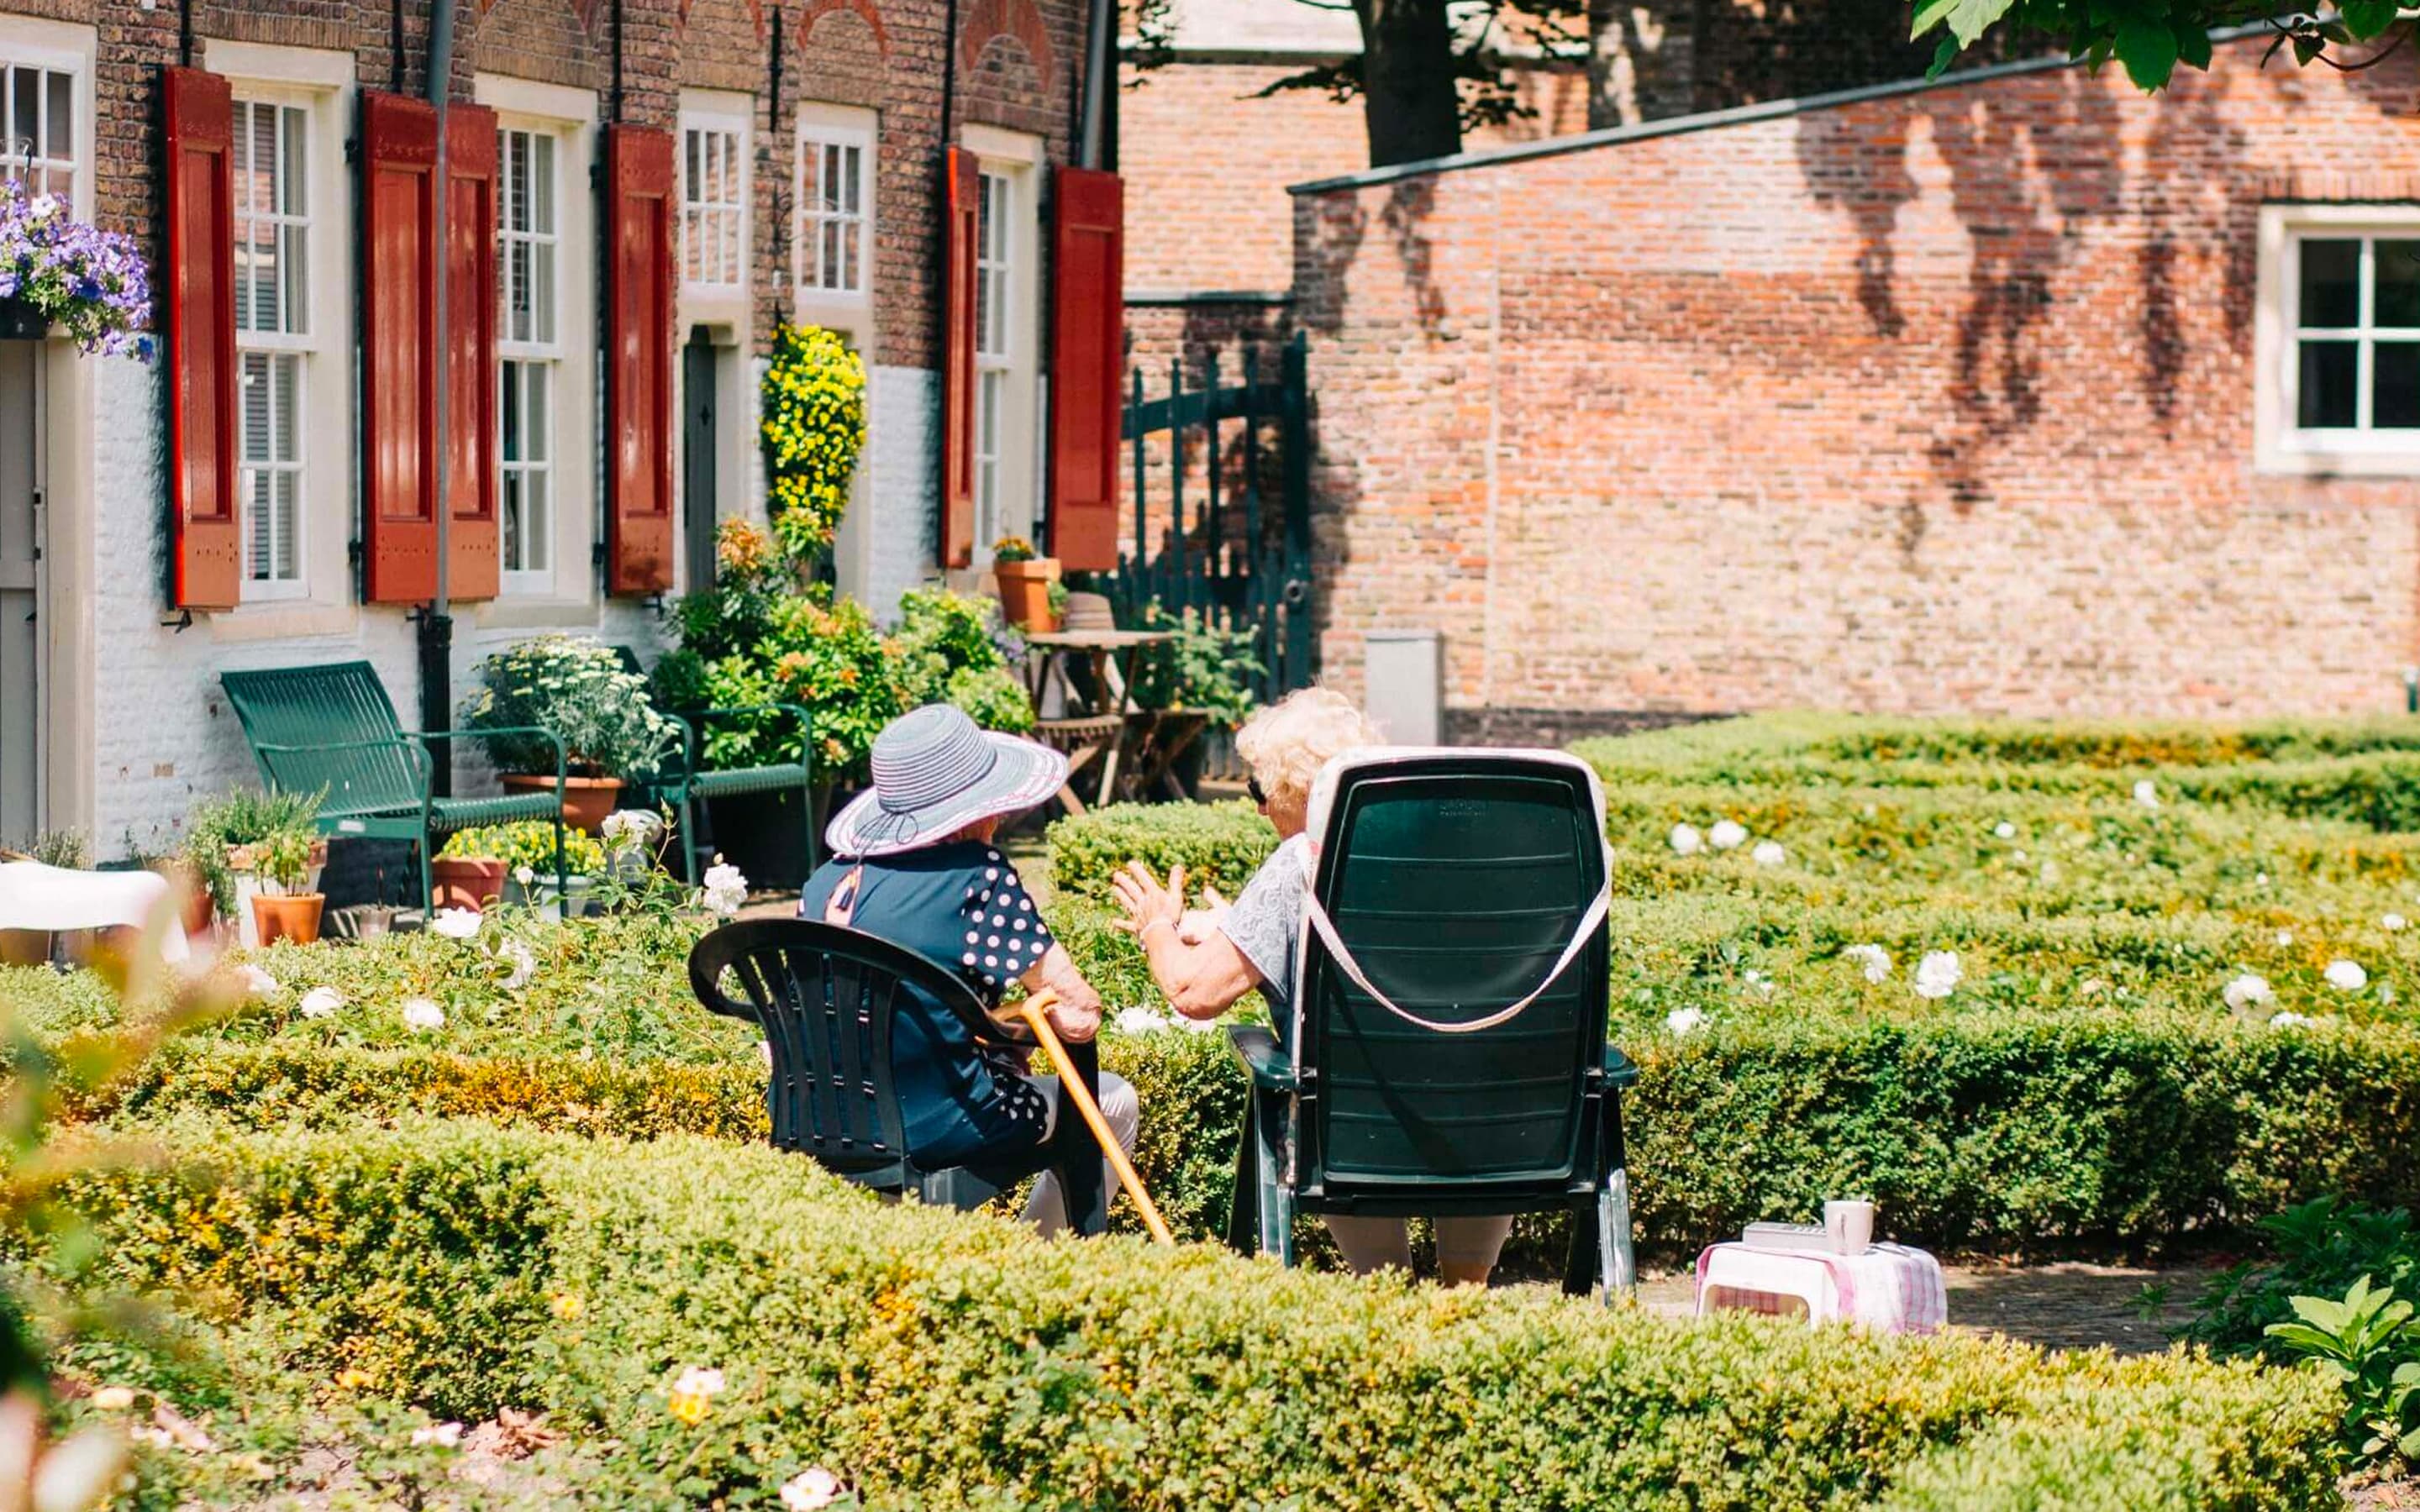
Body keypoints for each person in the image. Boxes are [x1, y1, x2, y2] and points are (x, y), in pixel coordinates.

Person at [1109, 686, 1516, 1286]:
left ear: (1296, 792)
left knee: (1325, 1083)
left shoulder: (1302, 858)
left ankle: (1389, 1292)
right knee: (1452, 1073)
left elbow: (1192, 992)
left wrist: (1157, 928)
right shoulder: (1460, 857)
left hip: (1358, 1128)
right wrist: (1240, 927)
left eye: (1256, 791)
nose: (1255, 808)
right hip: (1495, 1122)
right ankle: (1464, 1288)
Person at [801, 703, 1137, 1234]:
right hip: (935, 1124)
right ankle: (1040, 1262)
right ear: (975, 812)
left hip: (819, 1121)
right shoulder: (975, 877)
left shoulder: (824, 884)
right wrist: (1007, 1027)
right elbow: (1078, 1016)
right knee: (1115, 1101)